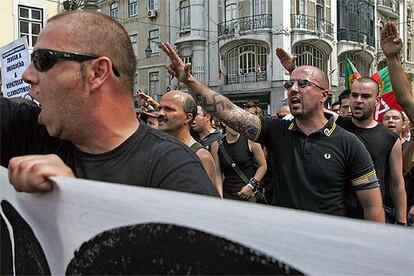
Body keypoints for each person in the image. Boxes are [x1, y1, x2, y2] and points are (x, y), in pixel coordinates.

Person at [1, 11, 218, 197]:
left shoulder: (174, 173)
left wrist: (75, 200)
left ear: (98, 72)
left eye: (42, 60)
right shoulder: (26, 130)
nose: (27, 75)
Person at [161, 42, 384, 221]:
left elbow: (372, 206)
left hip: (327, 246)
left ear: (324, 95)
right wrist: (189, 80)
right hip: (282, 240)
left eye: (303, 83)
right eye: (290, 85)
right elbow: (228, 111)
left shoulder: (348, 143)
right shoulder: (276, 131)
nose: (293, 89)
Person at [334, 78, 406, 225]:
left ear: (377, 101)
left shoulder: (390, 138)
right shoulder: (336, 126)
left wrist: (401, 220)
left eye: (366, 96)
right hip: (335, 213)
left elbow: (397, 183)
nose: (358, 100)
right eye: (354, 95)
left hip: (370, 216)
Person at [157, 90, 222, 196]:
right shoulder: (158, 149)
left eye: (168, 109)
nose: (160, 113)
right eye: (159, 108)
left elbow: (209, 202)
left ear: (187, 118)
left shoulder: (201, 157)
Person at [210, 124, 267, 201]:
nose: (236, 126)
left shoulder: (250, 141)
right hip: (228, 194)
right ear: (224, 123)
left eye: (237, 122)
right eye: (232, 122)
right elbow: (218, 173)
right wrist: (220, 196)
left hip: (248, 194)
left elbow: (263, 166)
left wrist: (251, 186)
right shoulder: (216, 145)